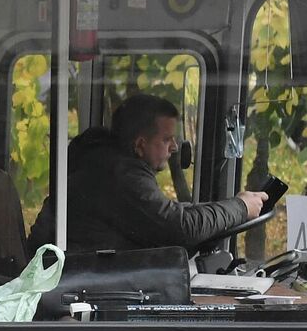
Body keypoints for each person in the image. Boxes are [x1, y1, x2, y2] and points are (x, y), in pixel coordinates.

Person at [26, 92, 268, 254]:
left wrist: (228, 210)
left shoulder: (106, 163)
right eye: (167, 139)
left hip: (82, 272)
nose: (174, 147)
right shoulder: (120, 175)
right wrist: (240, 207)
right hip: (79, 278)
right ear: (140, 144)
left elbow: (170, 215)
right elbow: (179, 227)